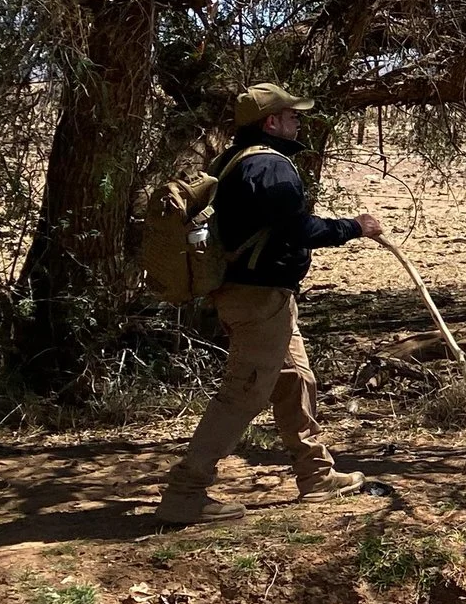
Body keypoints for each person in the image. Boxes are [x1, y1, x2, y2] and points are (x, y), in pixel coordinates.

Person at [158, 84, 384, 525]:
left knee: (295, 380)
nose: (299, 121)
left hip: (262, 298)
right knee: (243, 395)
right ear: (271, 122)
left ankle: (316, 475)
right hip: (258, 300)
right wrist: (354, 227)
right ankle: (185, 492)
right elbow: (300, 230)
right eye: (292, 115)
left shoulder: (235, 161)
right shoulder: (270, 166)